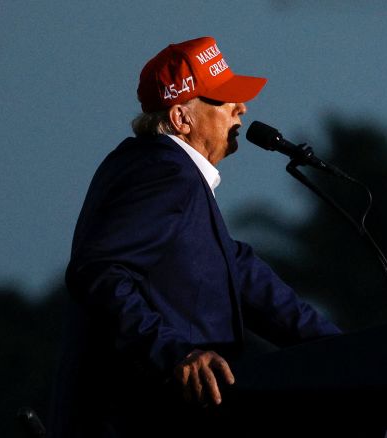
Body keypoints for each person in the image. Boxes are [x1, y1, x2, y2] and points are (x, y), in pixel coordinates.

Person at [49, 36, 341, 437]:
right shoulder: (165, 175)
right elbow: (99, 271)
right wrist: (174, 353)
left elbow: (245, 280)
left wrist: (350, 352)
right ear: (182, 119)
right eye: (223, 101)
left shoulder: (163, 174)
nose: (242, 109)